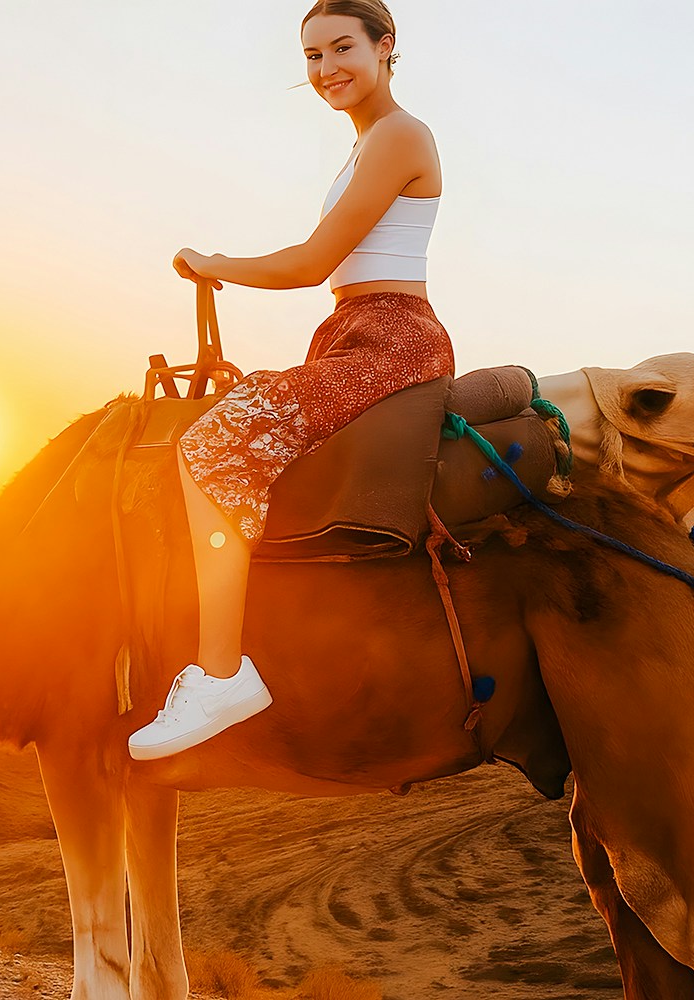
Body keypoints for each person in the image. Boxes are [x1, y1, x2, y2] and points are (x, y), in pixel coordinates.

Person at [128, 0, 454, 760]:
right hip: (354, 331)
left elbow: (311, 264)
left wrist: (215, 264)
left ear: (386, 46)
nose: (326, 68)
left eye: (342, 48)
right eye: (311, 56)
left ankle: (220, 673)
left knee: (215, 443)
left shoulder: (401, 135)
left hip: (389, 338)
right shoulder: (369, 142)